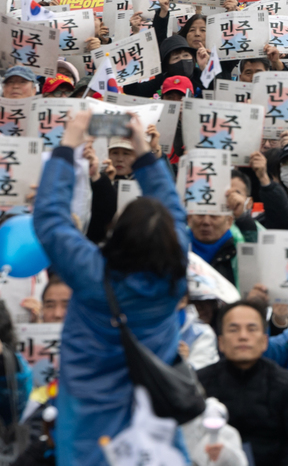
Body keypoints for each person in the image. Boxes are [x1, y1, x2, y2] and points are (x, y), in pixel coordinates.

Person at [33, 111, 188, 466]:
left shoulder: (91, 274)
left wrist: (68, 143)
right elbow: (174, 212)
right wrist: (143, 151)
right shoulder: (174, 275)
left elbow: (50, 219)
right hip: (155, 439)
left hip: (88, 437)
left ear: (115, 236)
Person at [197, 301, 288, 466]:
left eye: (251, 329)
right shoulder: (199, 383)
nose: (243, 336)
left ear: (264, 341)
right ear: (221, 342)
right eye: (233, 329)